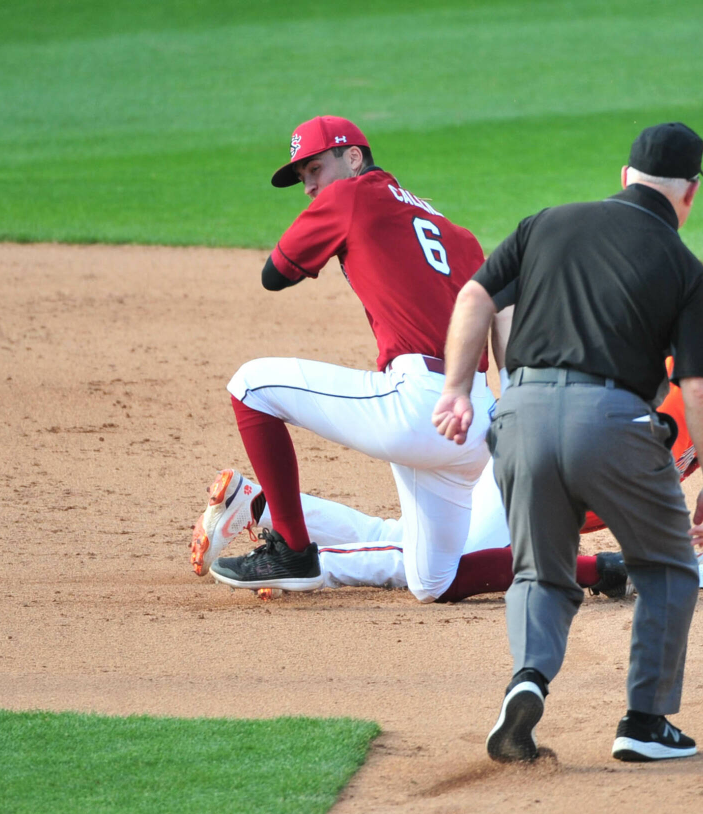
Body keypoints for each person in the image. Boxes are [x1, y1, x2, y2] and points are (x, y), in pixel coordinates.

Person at [189, 273, 703, 599]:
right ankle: (301, 565)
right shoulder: (656, 387)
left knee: (407, 538)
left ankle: (261, 505)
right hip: (529, 482)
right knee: (427, 571)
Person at [434, 122, 703, 763]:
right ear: (690, 194)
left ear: (625, 178)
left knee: (541, 570)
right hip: (612, 423)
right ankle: (644, 724)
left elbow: (475, 295)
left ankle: (528, 680)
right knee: (667, 567)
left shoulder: (545, 222)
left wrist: (458, 389)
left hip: (519, 416)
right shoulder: (684, 268)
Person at [194, 114, 495, 604]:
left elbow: (276, 274)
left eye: (314, 169)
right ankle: (596, 569)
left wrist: (340, 235)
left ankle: (292, 551)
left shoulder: (351, 195)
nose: (310, 186)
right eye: (301, 178)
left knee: (250, 386)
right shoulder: (457, 233)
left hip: (416, 407)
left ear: (353, 157)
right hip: (475, 420)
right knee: (431, 581)